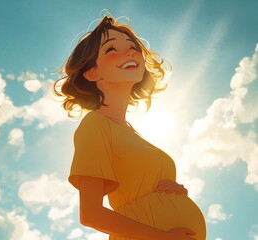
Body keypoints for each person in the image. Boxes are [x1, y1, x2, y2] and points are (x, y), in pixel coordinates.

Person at [53, 15, 206, 240]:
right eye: (111, 49)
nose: (130, 53)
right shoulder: (95, 125)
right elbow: (91, 214)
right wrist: (163, 236)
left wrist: (174, 194)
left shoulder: (130, 132)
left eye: (133, 47)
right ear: (93, 72)